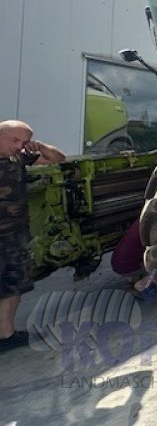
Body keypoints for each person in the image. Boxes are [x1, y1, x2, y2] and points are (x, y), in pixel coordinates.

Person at [0, 120, 65, 352]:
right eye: (15, 140)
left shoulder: (17, 158)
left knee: (13, 284)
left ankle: (5, 336)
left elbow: (58, 159)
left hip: (14, 236)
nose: (19, 146)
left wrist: (41, 148)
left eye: (24, 142)